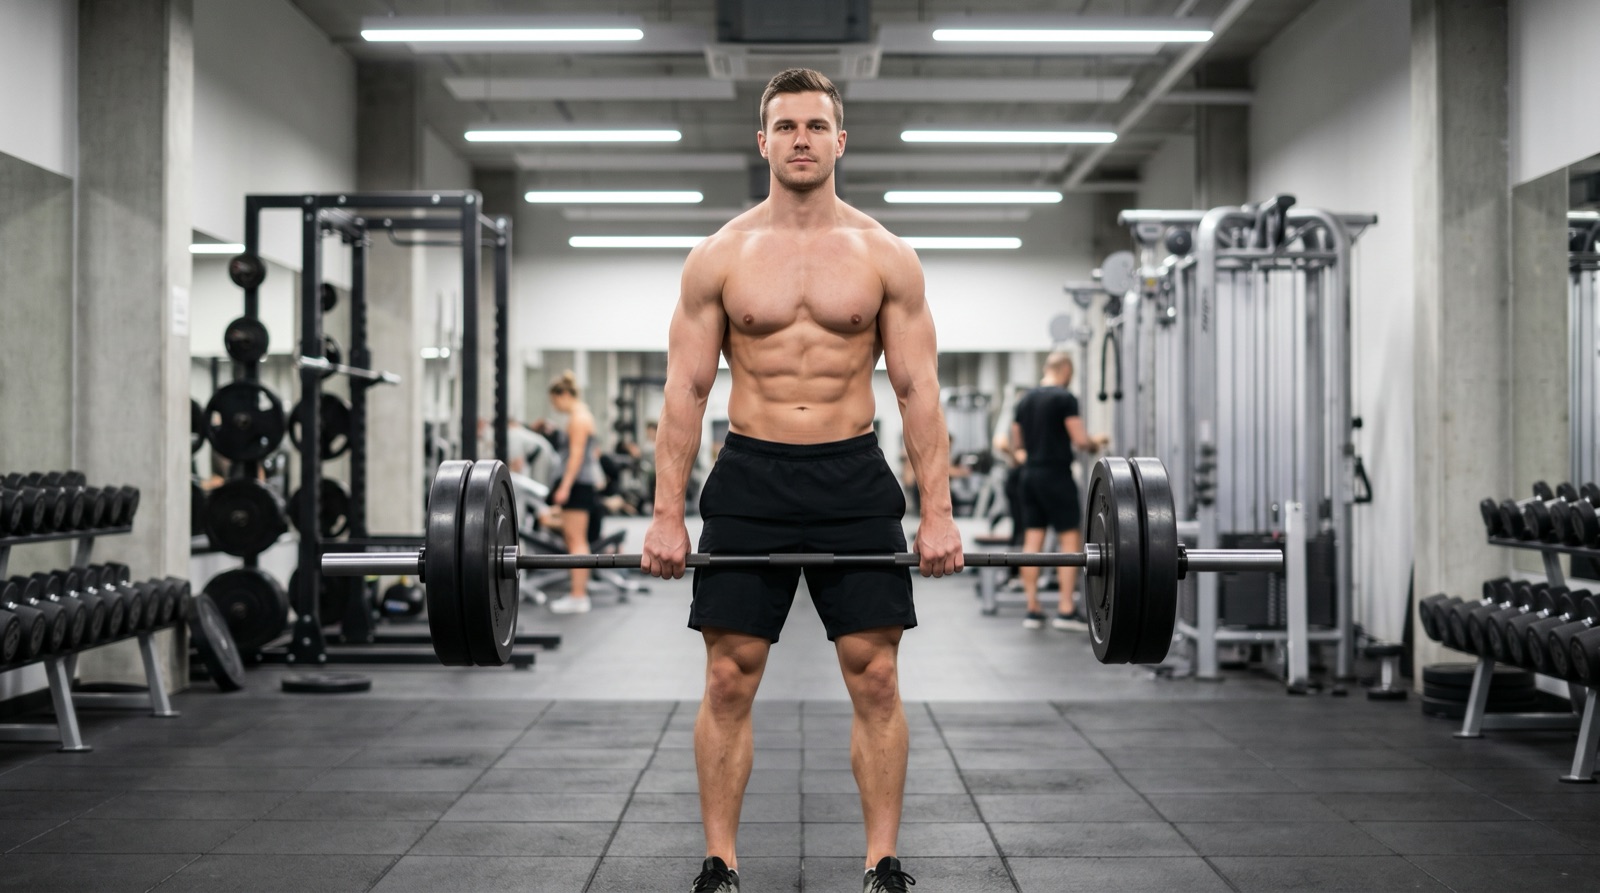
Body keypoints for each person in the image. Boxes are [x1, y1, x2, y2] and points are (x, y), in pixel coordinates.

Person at [640, 68, 960, 893]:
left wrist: (940, 511)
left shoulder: (885, 255)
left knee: (878, 675)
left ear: (840, 141)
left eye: (816, 126)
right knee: (726, 674)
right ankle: (721, 861)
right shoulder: (721, 256)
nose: (802, 140)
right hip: (750, 474)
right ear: (763, 142)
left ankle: (882, 861)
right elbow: (686, 390)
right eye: (786, 127)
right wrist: (665, 514)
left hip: (854, 475)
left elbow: (917, 389)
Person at [1010, 351, 1109, 631]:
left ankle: (1032, 608)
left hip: (1029, 475)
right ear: (1065, 369)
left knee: (1032, 540)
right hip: (1056, 474)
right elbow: (1079, 440)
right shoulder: (1065, 398)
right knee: (1068, 540)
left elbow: (1018, 442)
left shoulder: (1025, 399)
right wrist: (1095, 442)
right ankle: (1066, 609)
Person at [546, 371, 602, 614]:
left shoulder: (579, 418)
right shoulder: (581, 416)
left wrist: (565, 486)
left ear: (564, 394)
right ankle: (578, 594)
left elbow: (577, 456)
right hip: (581, 483)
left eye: (555, 401)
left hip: (577, 484)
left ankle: (578, 596)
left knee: (576, 540)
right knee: (574, 539)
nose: (555, 406)